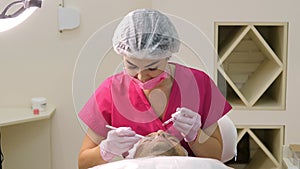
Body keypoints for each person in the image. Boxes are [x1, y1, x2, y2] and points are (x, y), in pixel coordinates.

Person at [78, 8, 232, 169]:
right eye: (131, 66)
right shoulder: (110, 91)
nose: (141, 77)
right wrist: (106, 150)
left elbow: (216, 156)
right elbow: (83, 162)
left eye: (152, 68)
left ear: (167, 55)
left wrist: (195, 135)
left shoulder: (199, 84)